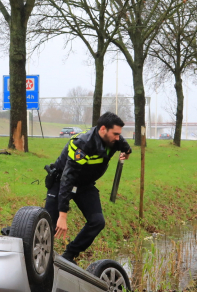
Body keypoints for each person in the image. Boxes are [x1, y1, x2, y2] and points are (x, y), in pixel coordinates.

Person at [45, 112, 132, 263]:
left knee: (97, 221)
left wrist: (126, 153)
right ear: (103, 129)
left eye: (119, 134)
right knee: (49, 225)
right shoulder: (83, 143)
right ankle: (21, 238)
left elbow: (126, 147)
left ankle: (69, 255)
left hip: (85, 186)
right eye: (115, 134)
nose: (118, 138)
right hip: (62, 182)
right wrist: (63, 214)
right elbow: (68, 178)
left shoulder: (115, 140)